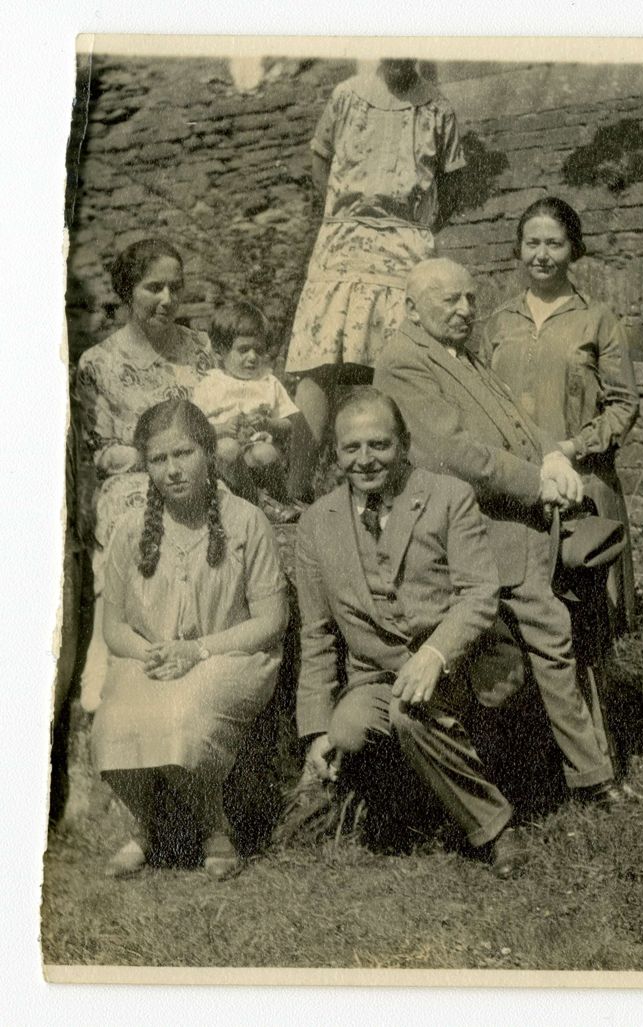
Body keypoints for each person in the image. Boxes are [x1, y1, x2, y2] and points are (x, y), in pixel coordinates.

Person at [373, 257, 624, 806]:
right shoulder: (402, 361)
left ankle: (576, 770)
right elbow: (452, 451)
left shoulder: (456, 351)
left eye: (470, 298)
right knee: (549, 639)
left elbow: (508, 417)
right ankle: (591, 780)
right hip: (481, 529)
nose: (465, 311)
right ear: (412, 307)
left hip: (515, 517)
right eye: (450, 301)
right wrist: (537, 482)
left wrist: (553, 454)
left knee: (562, 637)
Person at [294, 387, 524, 876]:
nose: (365, 460)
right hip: (378, 675)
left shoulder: (448, 497)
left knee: (408, 712)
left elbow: (481, 593)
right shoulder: (317, 524)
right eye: (351, 448)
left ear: (404, 443)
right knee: (349, 730)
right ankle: (415, 813)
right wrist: (315, 729)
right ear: (335, 454)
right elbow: (316, 635)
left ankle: (496, 827)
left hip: (466, 664)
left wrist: (437, 652)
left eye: (379, 445)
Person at [91, 400, 288, 880]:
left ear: (209, 455)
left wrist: (196, 651)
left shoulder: (245, 522)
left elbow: (271, 619)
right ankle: (149, 823)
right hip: (153, 657)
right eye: (159, 459)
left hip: (230, 655)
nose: (173, 470)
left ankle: (213, 828)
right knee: (112, 723)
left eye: (184, 453)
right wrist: (152, 653)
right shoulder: (130, 530)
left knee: (185, 714)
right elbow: (114, 627)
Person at [285, 58, 467, 451]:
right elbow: (321, 163)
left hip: (406, 244)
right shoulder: (346, 95)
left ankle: (401, 478)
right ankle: (297, 492)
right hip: (344, 240)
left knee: (401, 361)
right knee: (319, 361)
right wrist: (348, 216)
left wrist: (415, 227)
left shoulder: (438, 109)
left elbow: (451, 190)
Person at [482, 196, 640, 636]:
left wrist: (571, 449)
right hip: (518, 489)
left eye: (554, 243)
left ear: (573, 249)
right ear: (519, 248)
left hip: (582, 487)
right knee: (521, 620)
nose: (542, 255)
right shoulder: (498, 323)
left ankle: (600, 705)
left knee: (588, 622)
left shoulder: (596, 319)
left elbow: (624, 404)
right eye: (532, 243)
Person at [73, 238, 217, 710]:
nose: (168, 300)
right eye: (154, 287)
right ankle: (104, 647)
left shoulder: (200, 348)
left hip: (198, 471)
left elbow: (221, 414)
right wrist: (153, 458)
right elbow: (101, 453)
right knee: (132, 511)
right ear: (127, 291)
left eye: (175, 287)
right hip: (135, 479)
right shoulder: (98, 364)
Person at [192, 299, 315, 505]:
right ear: (221, 351)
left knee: (264, 452)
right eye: (243, 350)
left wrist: (267, 424)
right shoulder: (210, 384)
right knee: (227, 449)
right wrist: (223, 428)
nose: (252, 357)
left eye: (258, 350)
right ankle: (255, 502)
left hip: (258, 456)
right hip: (225, 461)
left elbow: (288, 424)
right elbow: (195, 429)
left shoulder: (267, 382)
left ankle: (280, 501)